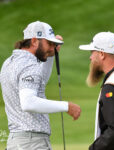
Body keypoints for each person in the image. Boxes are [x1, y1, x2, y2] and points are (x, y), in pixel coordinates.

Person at [0, 21, 81, 150]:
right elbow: (28, 103)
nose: (51, 48)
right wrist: (67, 106)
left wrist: (49, 56)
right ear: (34, 41)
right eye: (49, 43)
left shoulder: (9, 62)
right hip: (33, 143)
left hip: (15, 142)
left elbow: (39, 83)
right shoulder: (30, 66)